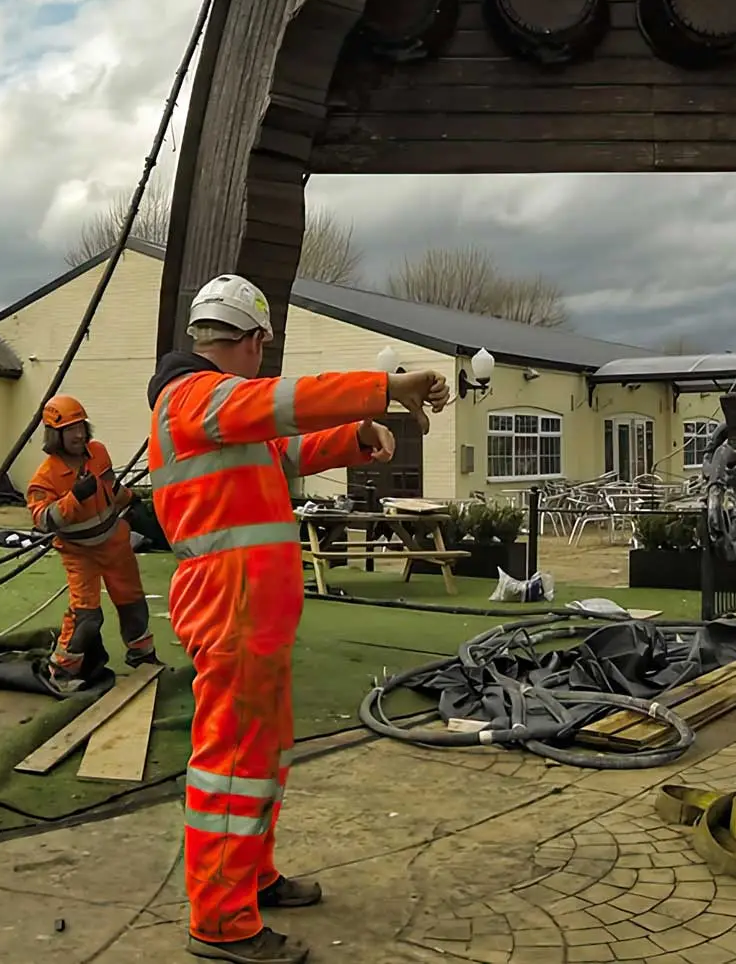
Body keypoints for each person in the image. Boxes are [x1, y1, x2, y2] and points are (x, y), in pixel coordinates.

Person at [145, 275, 448, 964]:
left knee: (260, 752)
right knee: (233, 760)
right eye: (263, 351)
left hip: (247, 606)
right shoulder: (196, 395)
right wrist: (385, 390)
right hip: (231, 604)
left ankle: (250, 878)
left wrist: (363, 436)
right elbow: (285, 404)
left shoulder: (219, 412)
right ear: (252, 342)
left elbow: (293, 445)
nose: (264, 365)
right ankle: (221, 921)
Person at [26, 393, 157, 683]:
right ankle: (63, 670)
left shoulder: (98, 453)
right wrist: (74, 498)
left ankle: (143, 657)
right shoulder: (45, 477)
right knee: (86, 617)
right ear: (55, 435)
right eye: (69, 430)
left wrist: (134, 503)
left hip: (115, 544)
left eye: (80, 427)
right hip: (80, 554)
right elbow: (43, 521)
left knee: (133, 603)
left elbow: (111, 486)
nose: (77, 435)